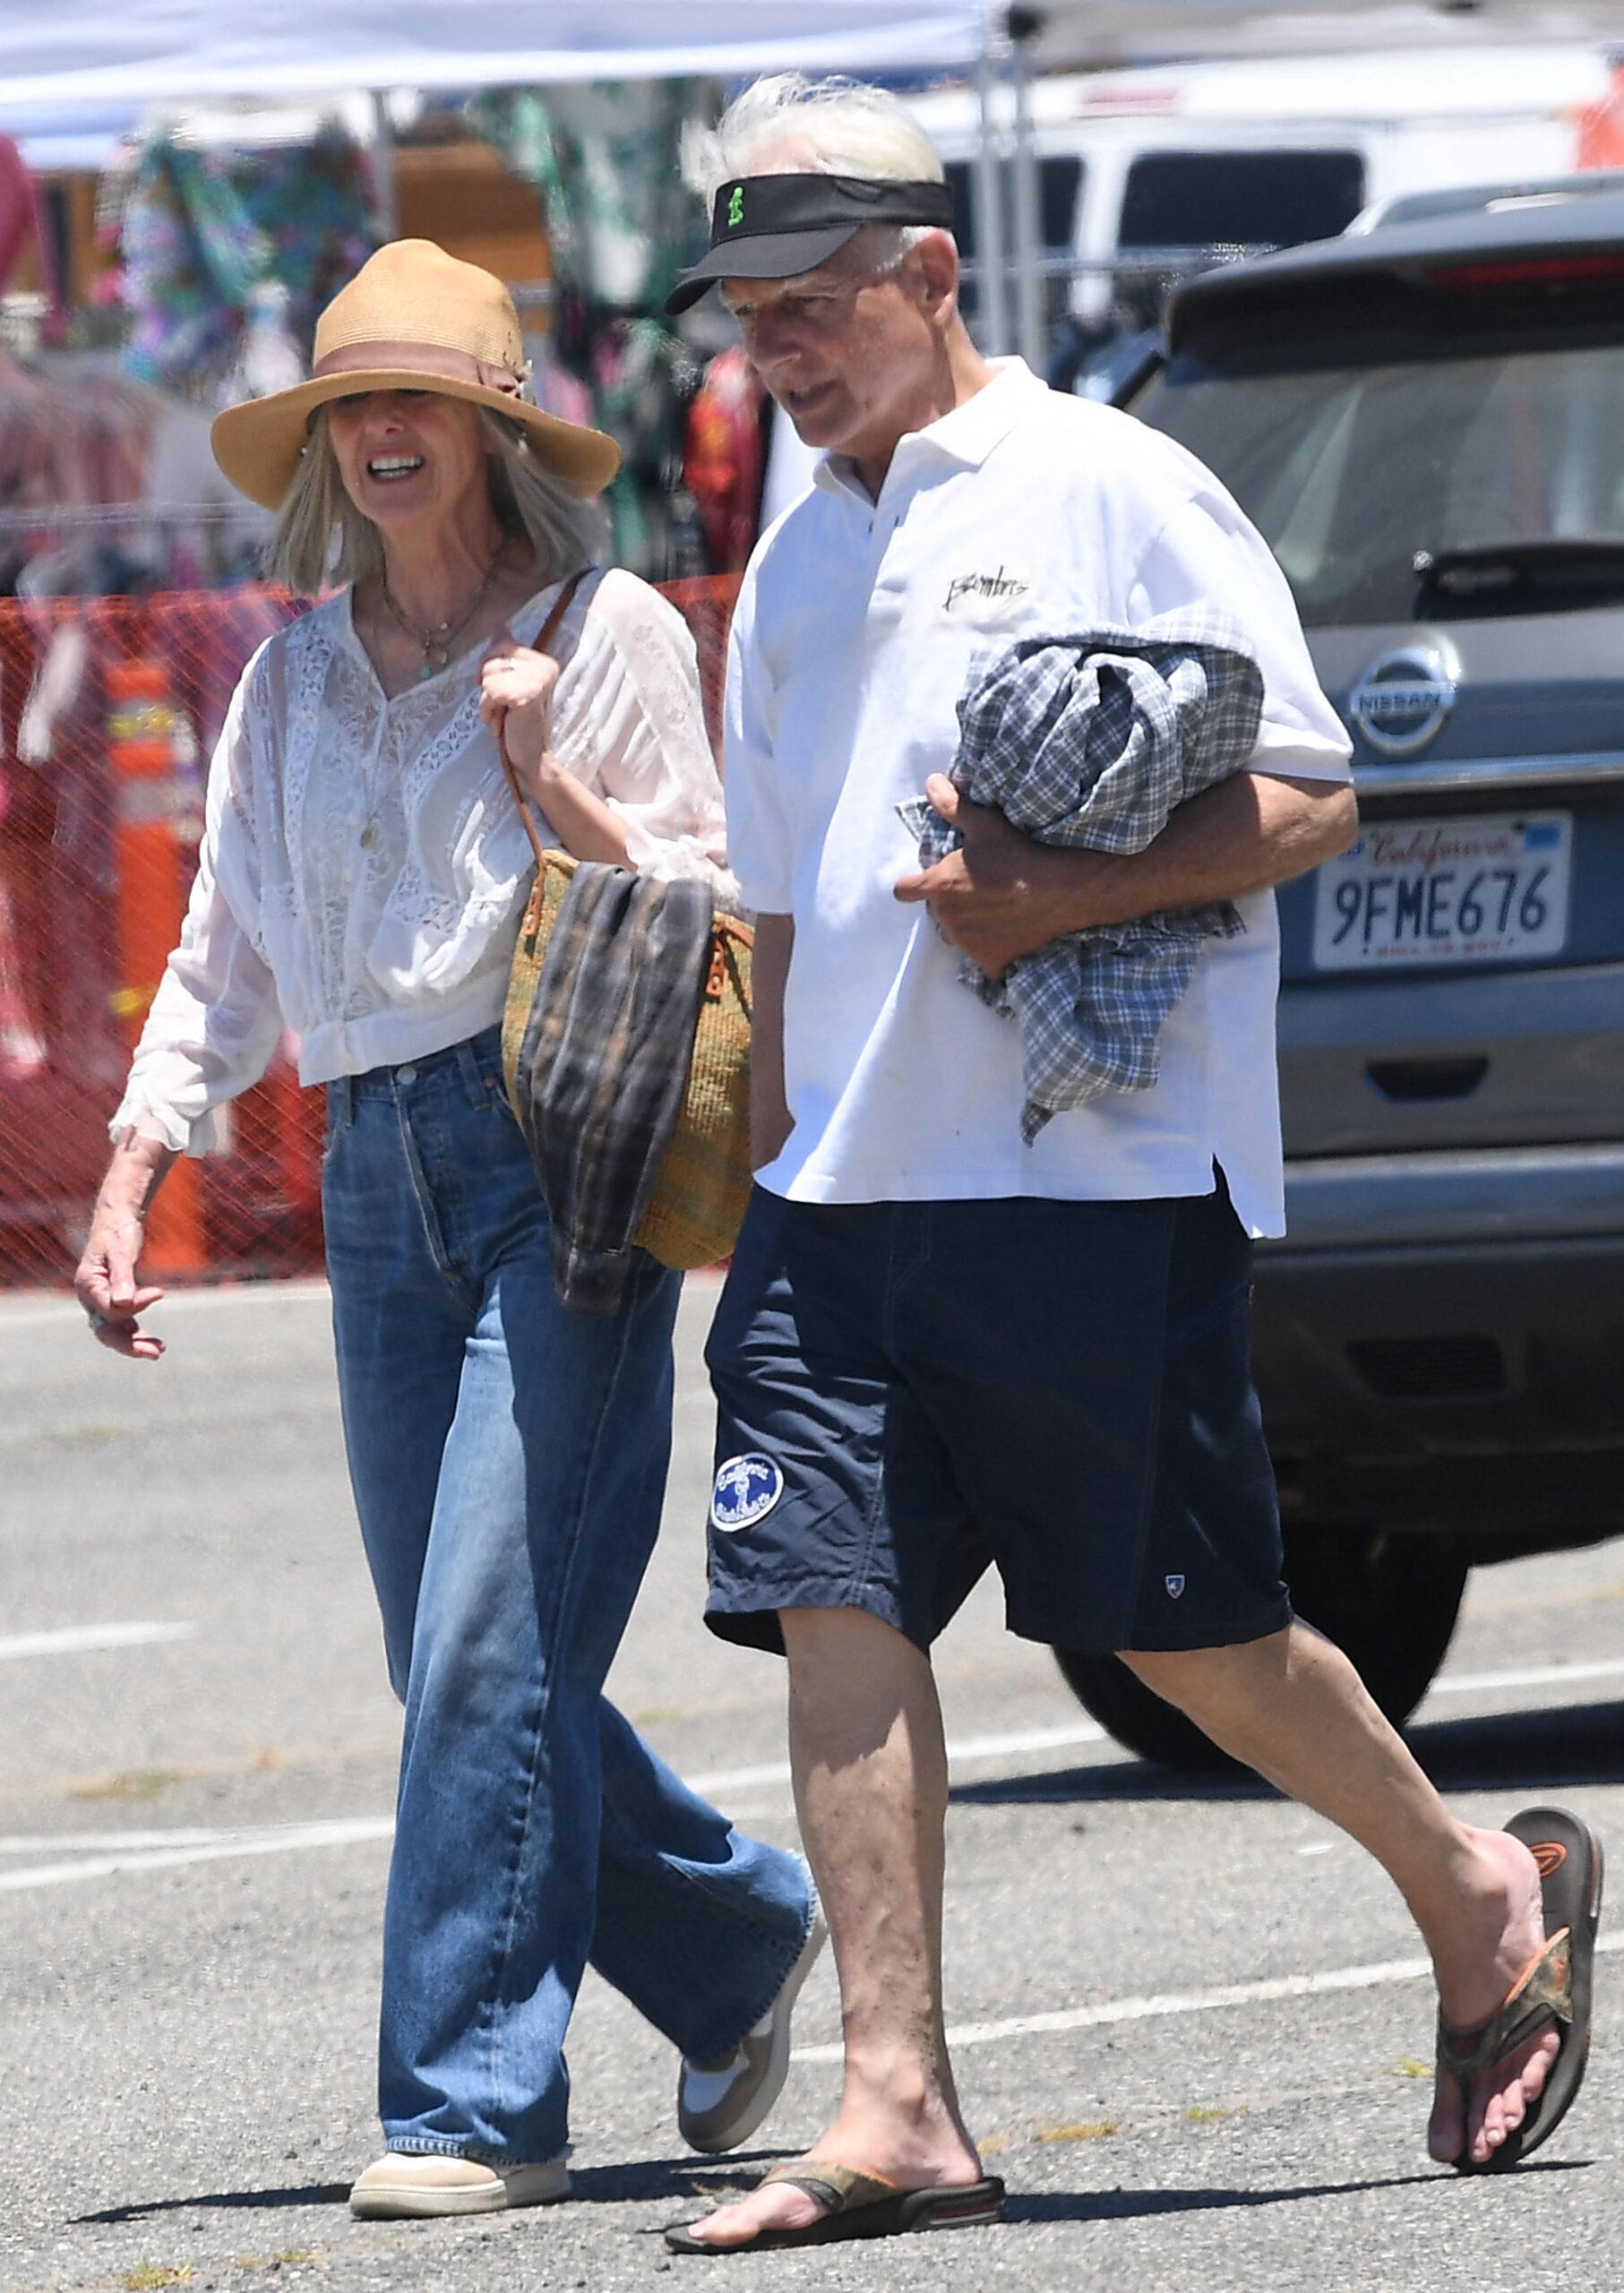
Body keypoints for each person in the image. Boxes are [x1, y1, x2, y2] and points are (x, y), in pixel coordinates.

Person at [656, 77, 1603, 2255]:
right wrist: (737, 1146)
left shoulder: (1112, 479)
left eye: (815, 303)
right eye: (749, 315)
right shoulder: (792, 555)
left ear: (929, 276)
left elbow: (1308, 794)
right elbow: (781, 903)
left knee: (1192, 1638)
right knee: (835, 1605)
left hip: (1087, 1176)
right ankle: (899, 2102)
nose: (778, 349)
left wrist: (1050, 901)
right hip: (837, 1197)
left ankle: (1478, 1890)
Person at [73, 238, 823, 2221]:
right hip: (368, 1164)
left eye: (423, 400)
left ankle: (476, 2094)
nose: (384, 431)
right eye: (354, 404)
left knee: (493, 1641)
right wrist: (138, 1167)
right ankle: (735, 1934)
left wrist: (538, 765)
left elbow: (707, 904)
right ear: (324, 441)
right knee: (464, 1664)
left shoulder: (611, 625)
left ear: (499, 432)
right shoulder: (292, 668)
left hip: (554, 1143)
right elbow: (225, 939)